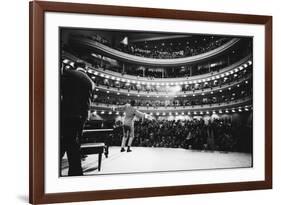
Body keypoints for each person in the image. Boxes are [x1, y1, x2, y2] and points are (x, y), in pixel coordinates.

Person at [60, 61, 95, 176]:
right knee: (73, 142)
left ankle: (75, 171)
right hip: (82, 116)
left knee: (67, 142)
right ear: (86, 68)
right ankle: (75, 171)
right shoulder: (90, 82)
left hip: (68, 113)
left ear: (75, 66)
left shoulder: (69, 73)